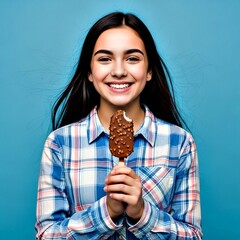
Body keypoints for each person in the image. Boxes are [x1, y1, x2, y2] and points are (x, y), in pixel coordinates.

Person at [35, 12, 202, 239]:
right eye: (105, 59)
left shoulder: (179, 143)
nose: (119, 71)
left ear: (149, 70)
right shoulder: (60, 144)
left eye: (132, 58)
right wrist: (108, 211)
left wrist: (142, 213)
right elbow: (46, 235)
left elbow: (193, 235)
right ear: (90, 73)